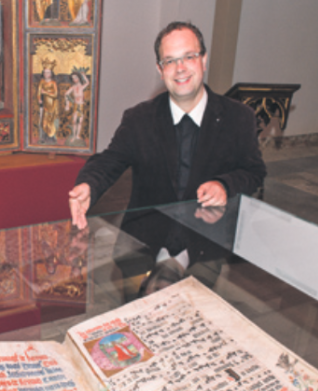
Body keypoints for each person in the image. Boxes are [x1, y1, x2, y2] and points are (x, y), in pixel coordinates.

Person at [69, 21, 266, 232]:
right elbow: (110, 160)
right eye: (170, 61)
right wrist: (88, 184)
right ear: (160, 70)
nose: (180, 69)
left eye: (189, 57)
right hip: (144, 243)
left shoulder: (238, 117)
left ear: (204, 60)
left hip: (206, 243)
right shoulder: (139, 118)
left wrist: (225, 185)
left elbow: (253, 172)